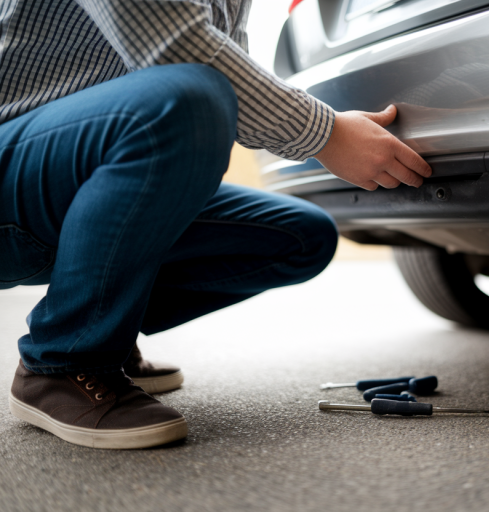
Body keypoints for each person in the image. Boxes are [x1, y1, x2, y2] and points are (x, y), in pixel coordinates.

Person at [0, 0, 431, 449]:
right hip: (13, 170)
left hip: (80, 174)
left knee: (300, 237)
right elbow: (177, 50)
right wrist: (328, 133)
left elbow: (230, 75)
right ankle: (64, 361)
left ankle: (107, 325)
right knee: (187, 97)